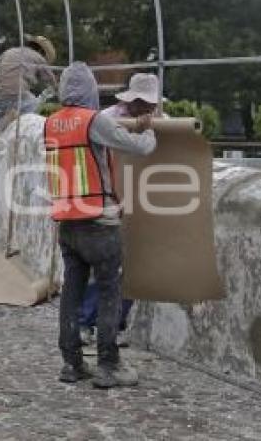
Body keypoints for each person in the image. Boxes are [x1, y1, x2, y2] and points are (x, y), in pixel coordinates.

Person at [44, 61, 156, 388]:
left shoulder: (50, 123)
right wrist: (148, 127)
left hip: (66, 222)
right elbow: (139, 147)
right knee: (110, 290)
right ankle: (109, 365)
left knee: (71, 292)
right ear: (91, 90)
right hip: (98, 220)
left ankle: (72, 364)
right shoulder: (93, 121)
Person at [79, 73, 162, 345]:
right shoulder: (108, 117)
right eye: (141, 102)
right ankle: (85, 322)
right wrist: (146, 129)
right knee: (104, 266)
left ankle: (113, 325)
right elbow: (141, 148)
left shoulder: (161, 119)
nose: (145, 108)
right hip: (108, 200)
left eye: (148, 104)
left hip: (140, 203)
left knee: (133, 267)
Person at [0, 34, 57, 138]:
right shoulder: (39, 58)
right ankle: (13, 116)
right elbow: (51, 80)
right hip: (17, 95)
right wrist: (57, 90)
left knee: (5, 108)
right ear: (42, 52)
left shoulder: (9, 52)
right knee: (36, 104)